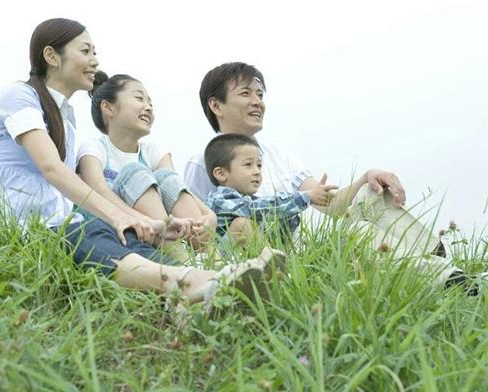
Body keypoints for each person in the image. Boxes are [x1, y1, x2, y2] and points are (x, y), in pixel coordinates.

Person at [0, 19, 284, 312]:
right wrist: (123, 217)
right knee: (88, 230)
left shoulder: (68, 119)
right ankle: (195, 281)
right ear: (52, 55)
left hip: (50, 223)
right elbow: (51, 169)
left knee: (124, 238)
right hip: (10, 224)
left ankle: (197, 297)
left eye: (96, 52)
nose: (95, 60)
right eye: (85, 51)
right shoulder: (19, 95)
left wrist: (140, 224)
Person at [184, 61, 482, 293]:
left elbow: (332, 205)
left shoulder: (278, 155)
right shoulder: (202, 164)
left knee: (371, 194)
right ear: (216, 104)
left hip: (301, 250)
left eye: (260, 94)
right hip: (276, 262)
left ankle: (448, 269)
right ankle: (453, 282)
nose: (257, 102)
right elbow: (202, 237)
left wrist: (367, 176)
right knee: (357, 233)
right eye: (245, 93)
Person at [76, 72, 217, 258]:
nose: (148, 108)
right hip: (119, 226)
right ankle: (182, 259)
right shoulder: (94, 148)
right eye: (139, 98)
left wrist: (209, 215)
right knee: (135, 172)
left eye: (150, 103)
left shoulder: (152, 151)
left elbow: (177, 187)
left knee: (166, 177)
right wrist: (142, 220)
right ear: (108, 107)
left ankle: (214, 259)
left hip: (158, 226)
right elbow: (98, 191)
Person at [204, 133, 337, 245]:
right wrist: (306, 197)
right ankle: (278, 267)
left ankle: (286, 263)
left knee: (283, 221)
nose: (257, 171)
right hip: (223, 260)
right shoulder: (220, 199)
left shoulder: (249, 199)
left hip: (246, 260)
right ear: (221, 174)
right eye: (248, 165)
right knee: (242, 224)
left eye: (259, 165)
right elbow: (255, 209)